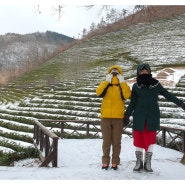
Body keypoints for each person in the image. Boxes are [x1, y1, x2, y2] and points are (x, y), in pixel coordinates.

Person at [123, 63, 185, 172]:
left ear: (149, 71)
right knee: (138, 139)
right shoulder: (136, 86)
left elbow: (168, 95)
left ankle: (148, 163)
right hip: (139, 116)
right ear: (139, 72)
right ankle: (138, 162)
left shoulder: (156, 84)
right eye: (142, 71)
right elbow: (132, 103)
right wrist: (127, 115)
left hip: (152, 116)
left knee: (150, 139)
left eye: (146, 70)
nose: (144, 72)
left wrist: (181, 104)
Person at [96, 65, 131, 170]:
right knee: (106, 142)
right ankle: (105, 162)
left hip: (118, 118)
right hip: (105, 117)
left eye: (116, 72)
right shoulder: (105, 84)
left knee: (116, 142)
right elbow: (98, 92)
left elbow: (127, 95)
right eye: (112, 72)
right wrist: (107, 81)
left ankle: (115, 162)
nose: (114, 73)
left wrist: (122, 81)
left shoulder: (122, 85)